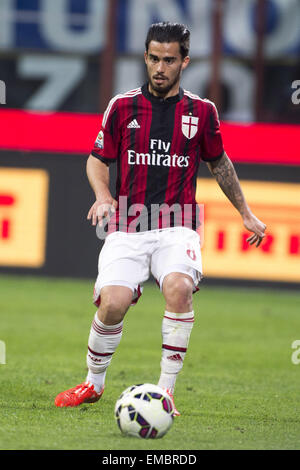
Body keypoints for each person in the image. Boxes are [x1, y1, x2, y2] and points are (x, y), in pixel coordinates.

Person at [55, 22, 266, 414]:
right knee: (113, 302)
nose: (160, 67)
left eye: (169, 60)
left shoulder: (202, 112)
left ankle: (165, 393)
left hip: (178, 223)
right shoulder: (122, 106)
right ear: (146, 57)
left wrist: (246, 213)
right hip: (128, 223)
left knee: (179, 289)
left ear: (184, 62)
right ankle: (93, 384)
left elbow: (219, 162)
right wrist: (103, 196)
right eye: (153, 58)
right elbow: (98, 159)